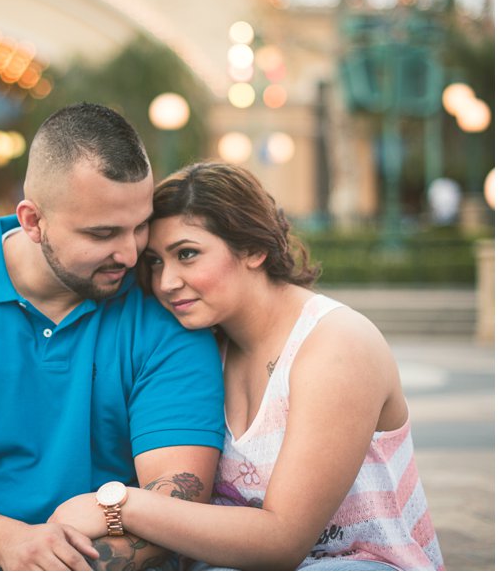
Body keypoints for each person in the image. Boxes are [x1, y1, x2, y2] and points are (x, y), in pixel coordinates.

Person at [0, 104, 225, 571]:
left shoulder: (166, 309)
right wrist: (10, 544)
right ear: (33, 221)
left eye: (140, 226)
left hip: (117, 561)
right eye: (102, 233)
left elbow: (177, 499)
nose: (131, 252)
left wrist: (56, 565)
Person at [49, 162, 444, 571]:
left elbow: (282, 539)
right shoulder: (204, 345)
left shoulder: (336, 345)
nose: (167, 282)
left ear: (254, 249)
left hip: (359, 565)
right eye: (155, 262)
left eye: (188, 254)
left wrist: (119, 504)